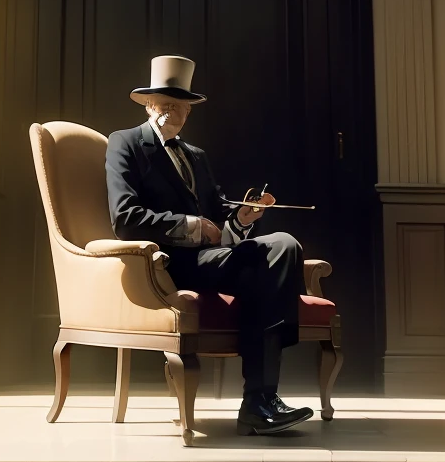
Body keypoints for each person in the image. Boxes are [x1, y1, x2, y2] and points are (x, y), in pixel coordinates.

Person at [104, 54, 313, 436]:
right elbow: (125, 218)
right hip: (168, 264)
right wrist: (191, 227)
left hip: (209, 258)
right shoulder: (126, 144)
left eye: (181, 105)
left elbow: (220, 217)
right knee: (269, 267)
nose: (175, 111)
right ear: (149, 104)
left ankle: (259, 401)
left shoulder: (196, 156)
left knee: (283, 245)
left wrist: (244, 217)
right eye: (166, 103)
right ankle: (261, 401)